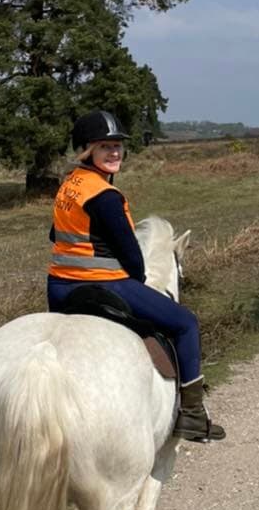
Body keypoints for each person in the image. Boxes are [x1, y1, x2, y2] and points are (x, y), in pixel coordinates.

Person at [47, 109, 225, 442]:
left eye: (117, 146)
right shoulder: (107, 196)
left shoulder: (70, 185)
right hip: (103, 284)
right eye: (105, 147)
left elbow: (54, 235)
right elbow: (133, 260)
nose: (114, 153)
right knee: (186, 322)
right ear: (87, 150)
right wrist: (128, 272)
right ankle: (192, 414)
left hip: (58, 289)